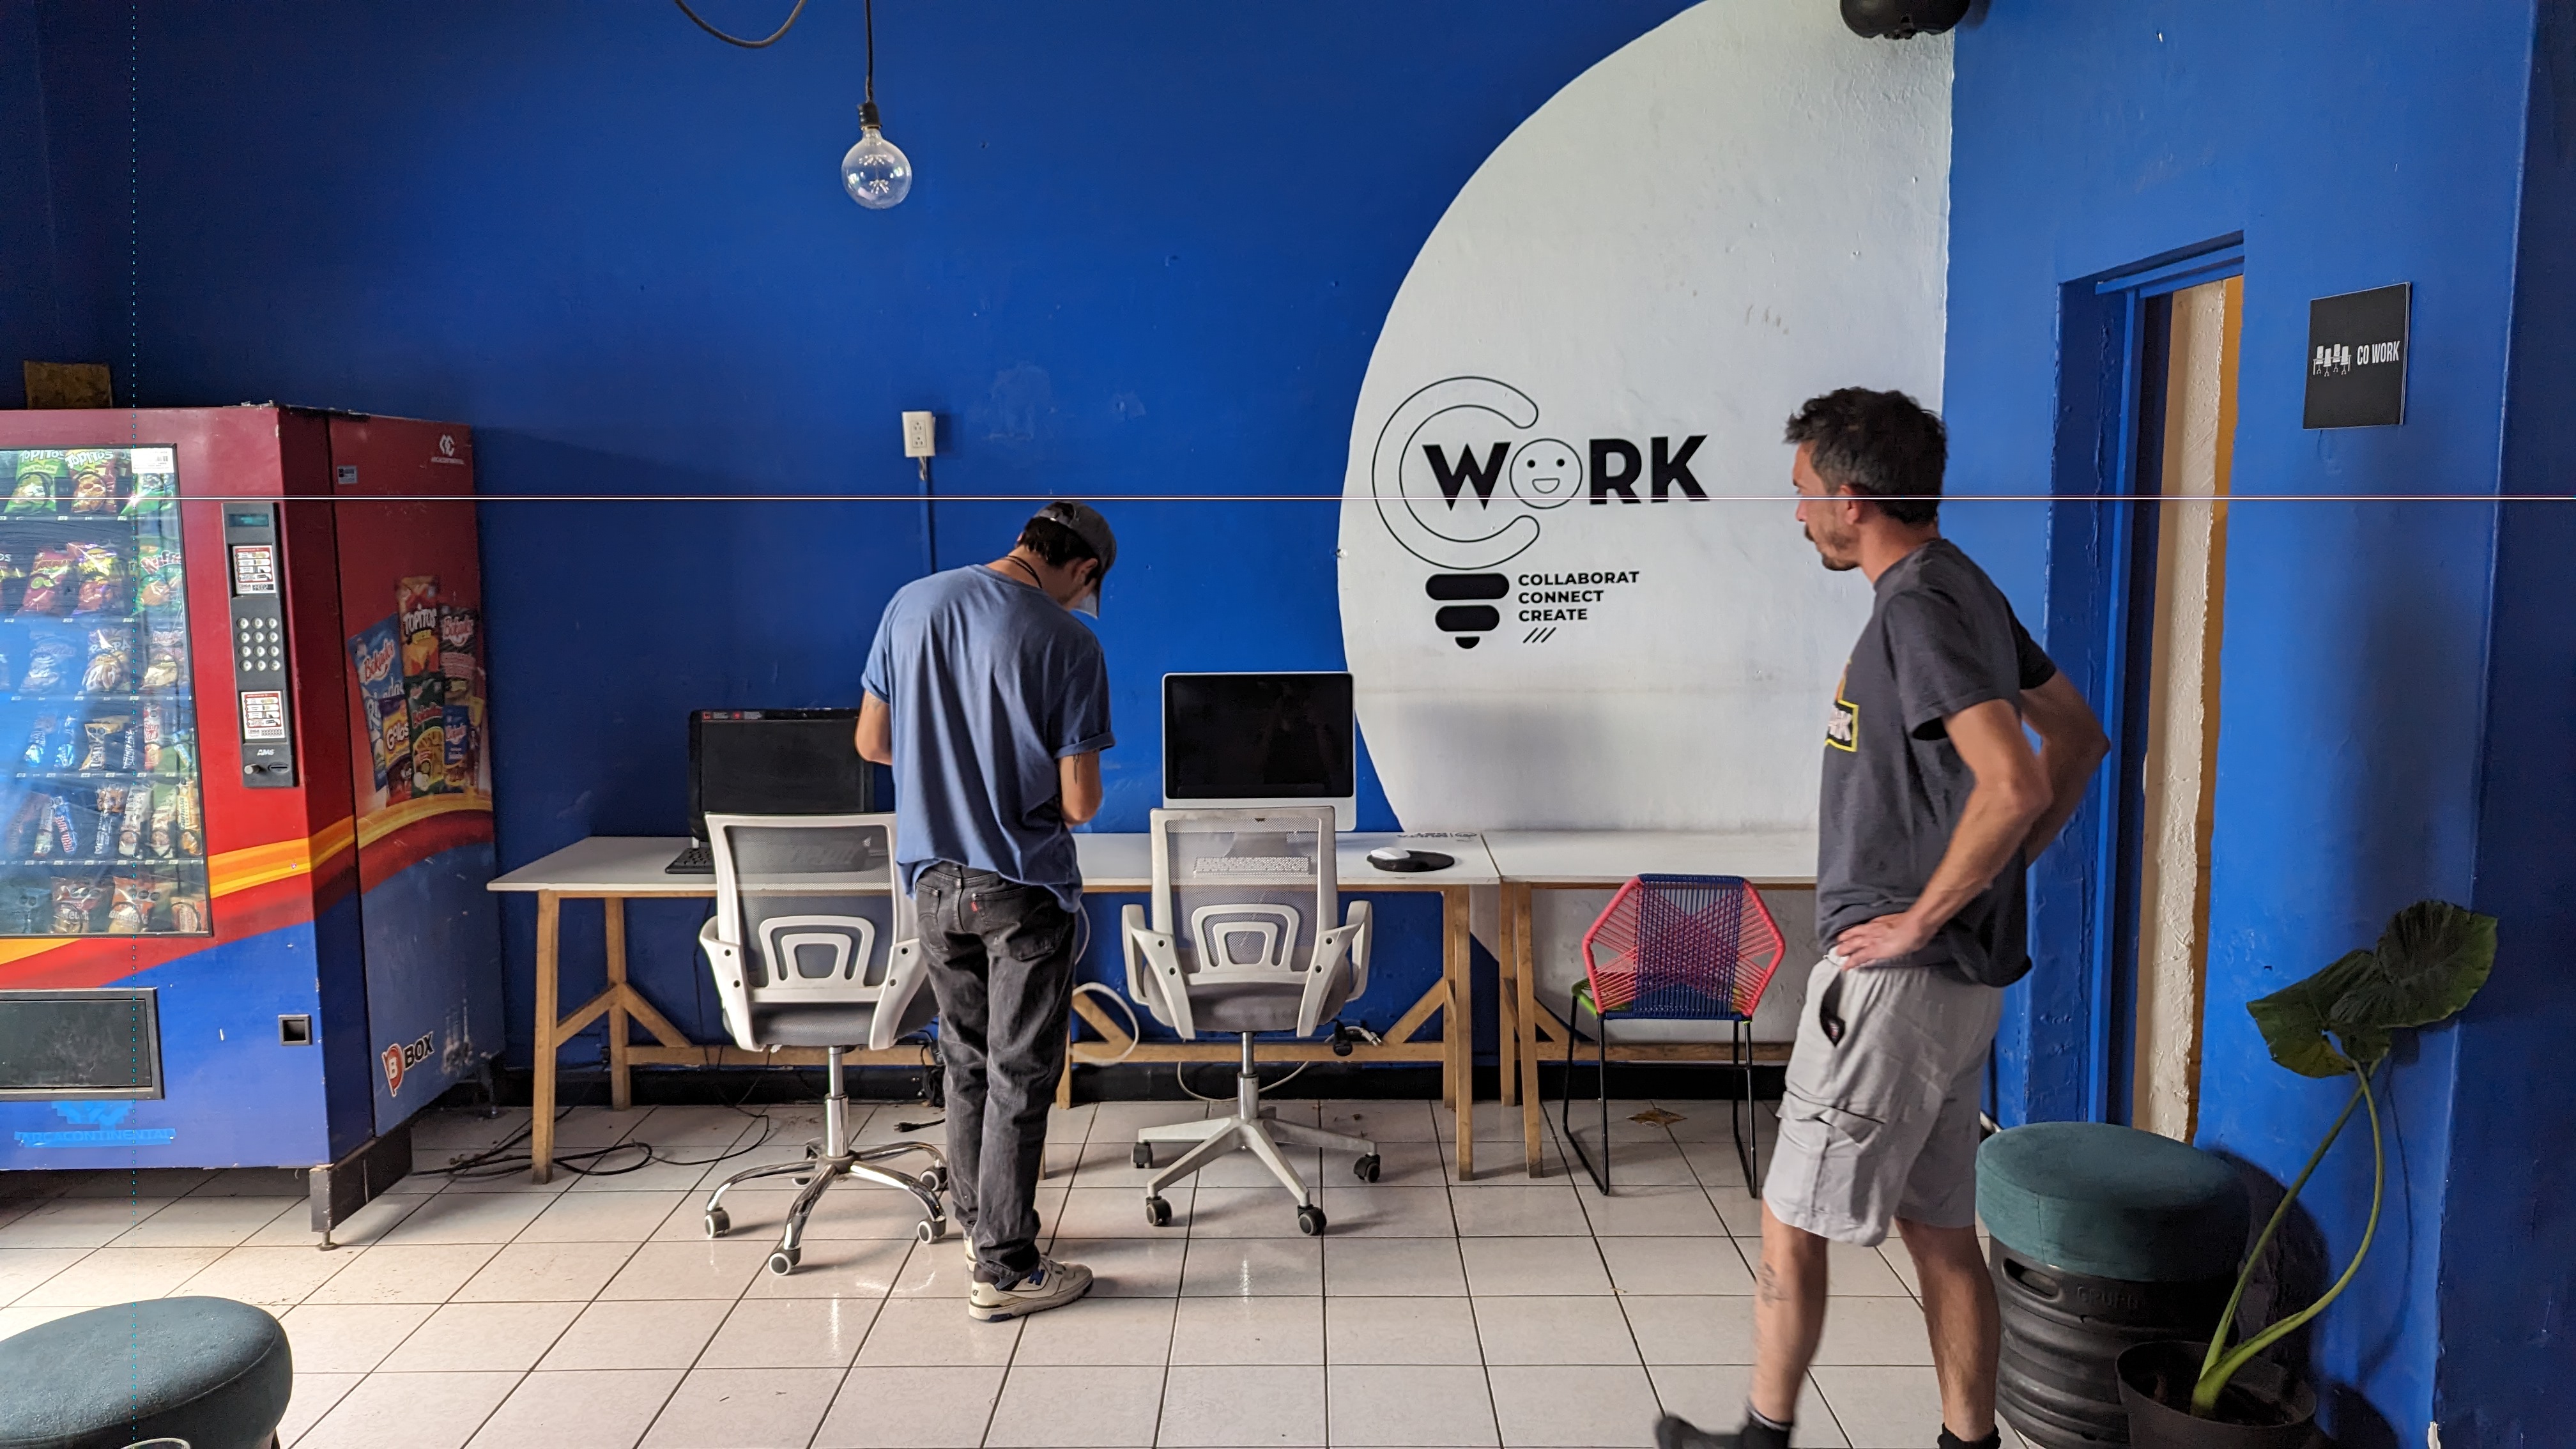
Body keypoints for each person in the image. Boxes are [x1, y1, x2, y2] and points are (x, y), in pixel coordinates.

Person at [1657, 390, 2107, 1449]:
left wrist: (1915, 922)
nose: (1797, 513)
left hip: (1899, 985)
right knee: (1944, 1232)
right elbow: (2077, 739)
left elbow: (2017, 782)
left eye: (1806, 493)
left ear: (1854, 502)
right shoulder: (1964, 589)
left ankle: (1761, 1441)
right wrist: (1985, 888)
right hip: (1960, 990)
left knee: (1792, 1218)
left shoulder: (1915, 606)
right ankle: (1970, 1446)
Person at [857, 500, 1119, 1322]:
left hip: (933, 883)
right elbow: (1079, 804)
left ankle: (978, 1222)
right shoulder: (1069, 641)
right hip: (1021, 887)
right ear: (1083, 570)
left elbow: (872, 742)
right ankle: (1005, 1269)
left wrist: (951, 762)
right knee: (1021, 1073)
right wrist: (1011, 766)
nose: (1082, 603)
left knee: (967, 1060)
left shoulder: (912, 602)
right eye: (1089, 590)